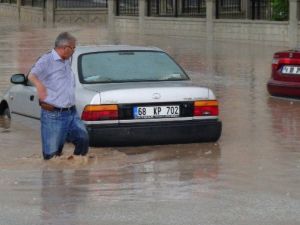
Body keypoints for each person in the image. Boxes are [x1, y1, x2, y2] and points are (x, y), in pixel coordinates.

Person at [28, 32, 89, 160]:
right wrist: (40, 86)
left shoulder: (66, 60)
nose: (74, 51)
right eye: (73, 48)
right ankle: (56, 176)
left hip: (71, 112)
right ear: (65, 47)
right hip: (53, 115)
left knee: (83, 138)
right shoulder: (46, 60)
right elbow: (31, 75)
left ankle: (77, 172)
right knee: (52, 157)